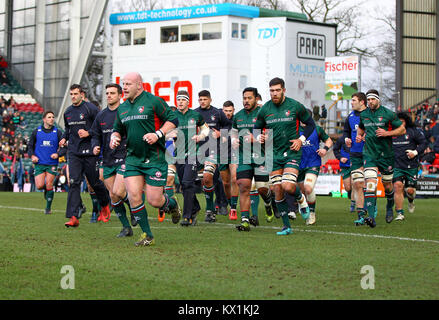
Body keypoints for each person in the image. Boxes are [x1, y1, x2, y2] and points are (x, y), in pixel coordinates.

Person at [111, 72, 180, 247]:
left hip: (154, 158)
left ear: (139, 85)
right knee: (134, 196)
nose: (124, 88)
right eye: (123, 84)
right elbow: (117, 129)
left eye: (127, 84)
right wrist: (114, 137)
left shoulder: (153, 101)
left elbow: (173, 120)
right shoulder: (122, 108)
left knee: (154, 200)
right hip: (133, 158)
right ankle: (147, 235)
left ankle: (171, 204)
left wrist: (158, 134)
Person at [254, 77, 316, 235]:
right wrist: (258, 137)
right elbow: (256, 129)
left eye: (277, 90)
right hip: (274, 154)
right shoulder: (264, 109)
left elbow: (310, 124)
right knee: (277, 190)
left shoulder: (294, 106)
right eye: (272, 91)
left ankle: (301, 199)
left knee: (287, 186)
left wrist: (301, 140)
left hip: (292, 152)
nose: (274, 93)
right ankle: (286, 226)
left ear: (283, 90)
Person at [59, 84, 111, 228]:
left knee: (94, 183)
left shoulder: (91, 109)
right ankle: (73, 216)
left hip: (89, 152)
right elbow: (68, 129)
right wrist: (64, 138)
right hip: (74, 152)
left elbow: (101, 127)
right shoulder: (68, 111)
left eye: (75, 94)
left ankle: (105, 204)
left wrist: (88, 133)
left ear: (82, 94)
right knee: (74, 182)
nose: (73, 97)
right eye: (71, 94)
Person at [91, 83, 136, 237]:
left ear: (119, 95)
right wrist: (95, 146)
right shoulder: (101, 115)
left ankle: (134, 208)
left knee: (118, 191)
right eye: (107, 93)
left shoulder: (126, 112)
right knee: (113, 195)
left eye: (112, 93)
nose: (109, 95)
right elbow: (95, 134)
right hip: (108, 159)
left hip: (125, 157)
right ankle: (126, 227)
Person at [355, 89, 406, 227]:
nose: (370, 102)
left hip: (386, 155)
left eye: (372, 99)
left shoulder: (388, 113)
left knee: (388, 186)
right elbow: (361, 128)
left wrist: (387, 133)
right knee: (370, 183)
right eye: (368, 100)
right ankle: (371, 217)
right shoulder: (364, 114)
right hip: (369, 154)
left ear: (378, 99)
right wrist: (359, 136)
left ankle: (390, 205)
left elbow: (402, 129)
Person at [231, 87, 276, 231]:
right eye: (244, 98)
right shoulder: (238, 116)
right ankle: (245, 220)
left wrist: (262, 138)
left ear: (256, 99)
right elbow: (234, 132)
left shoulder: (264, 114)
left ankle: (269, 203)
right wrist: (234, 140)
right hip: (244, 157)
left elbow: (271, 134)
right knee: (244, 186)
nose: (246, 101)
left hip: (261, 157)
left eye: (249, 98)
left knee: (262, 189)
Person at [173, 90, 210, 226]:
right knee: (184, 184)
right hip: (179, 155)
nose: (180, 102)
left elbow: (206, 129)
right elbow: (166, 132)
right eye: (179, 100)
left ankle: (187, 216)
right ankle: (195, 208)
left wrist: (200, 136)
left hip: (193, 154)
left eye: (183, 100)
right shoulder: (173, 116)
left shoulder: (195, 115)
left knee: (188, 183)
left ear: (188, 101)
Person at [194, 90, 230, 223]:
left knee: (209, 178)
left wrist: (222, 133)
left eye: (205, 99)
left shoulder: (218, 113)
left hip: (215, 151)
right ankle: (212, 207)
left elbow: (229, 125)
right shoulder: (195, 113)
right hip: (200, 151)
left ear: (210, 100)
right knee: (208, 181)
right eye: (200, 99)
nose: (202, 101)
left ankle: (211, 210)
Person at [297, 110, 333, 225]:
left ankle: (312, 213)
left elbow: (328, 140)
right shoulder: (294, 130)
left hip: (313, 163)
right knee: (302, 191)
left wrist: (325, 149)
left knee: (308, 188)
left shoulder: (317, 129)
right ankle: (303, 205)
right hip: (297, 165)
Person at [391, 112, 427, 221]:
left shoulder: (413, 132)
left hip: (411, 166)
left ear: (406, 122)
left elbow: (423, 143)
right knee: (398, 186)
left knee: (410, 191)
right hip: (396, 166)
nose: (400, 123)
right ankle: (400, 213)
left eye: (402, 121)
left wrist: (415, 152)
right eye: (398, 121)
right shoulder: (391, 133)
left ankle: (411, 201)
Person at [27, 110, 62, 214]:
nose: (52, 119)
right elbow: (30, 146)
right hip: (39, 163)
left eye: (52, 117)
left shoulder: (58, 132)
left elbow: (64, 147)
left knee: (49, 183)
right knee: (39, 185)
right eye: (49, 117)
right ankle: (46, 190)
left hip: (52, 163)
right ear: (44, 119)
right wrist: (32, 155)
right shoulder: (36, 131)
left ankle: (48, 208)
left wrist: (58, 154)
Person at [343, 92, 368, 221]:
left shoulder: (371, 115)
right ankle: (361, 215)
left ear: (362, 102)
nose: (351, 102)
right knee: (357, 183)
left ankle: (372, 207)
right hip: (355, 153)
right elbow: (346, 131)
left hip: (370, 153)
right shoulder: (350, 116)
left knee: (370, 184)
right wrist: (347, 138)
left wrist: (365, 137)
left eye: (353, 100)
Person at [220, 100, 239, 220]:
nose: (228, 113)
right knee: (225, 183)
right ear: (223, 110)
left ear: (233, 111)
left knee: (234, 179)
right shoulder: (219, 121)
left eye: (230, 111)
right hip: (222, 154)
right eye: (226, 111)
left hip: (234, 153)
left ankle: (233, 208)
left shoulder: (236, 120)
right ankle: (229, 201)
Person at [333, 135, 355, 212]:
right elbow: (335, 150)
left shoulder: (356, 137)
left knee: (354, 183)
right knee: (347, 188)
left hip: (355, 165)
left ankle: (353, 204)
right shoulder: (341, 139)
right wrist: (340, 158)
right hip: (345, 166)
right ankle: (351, 194)